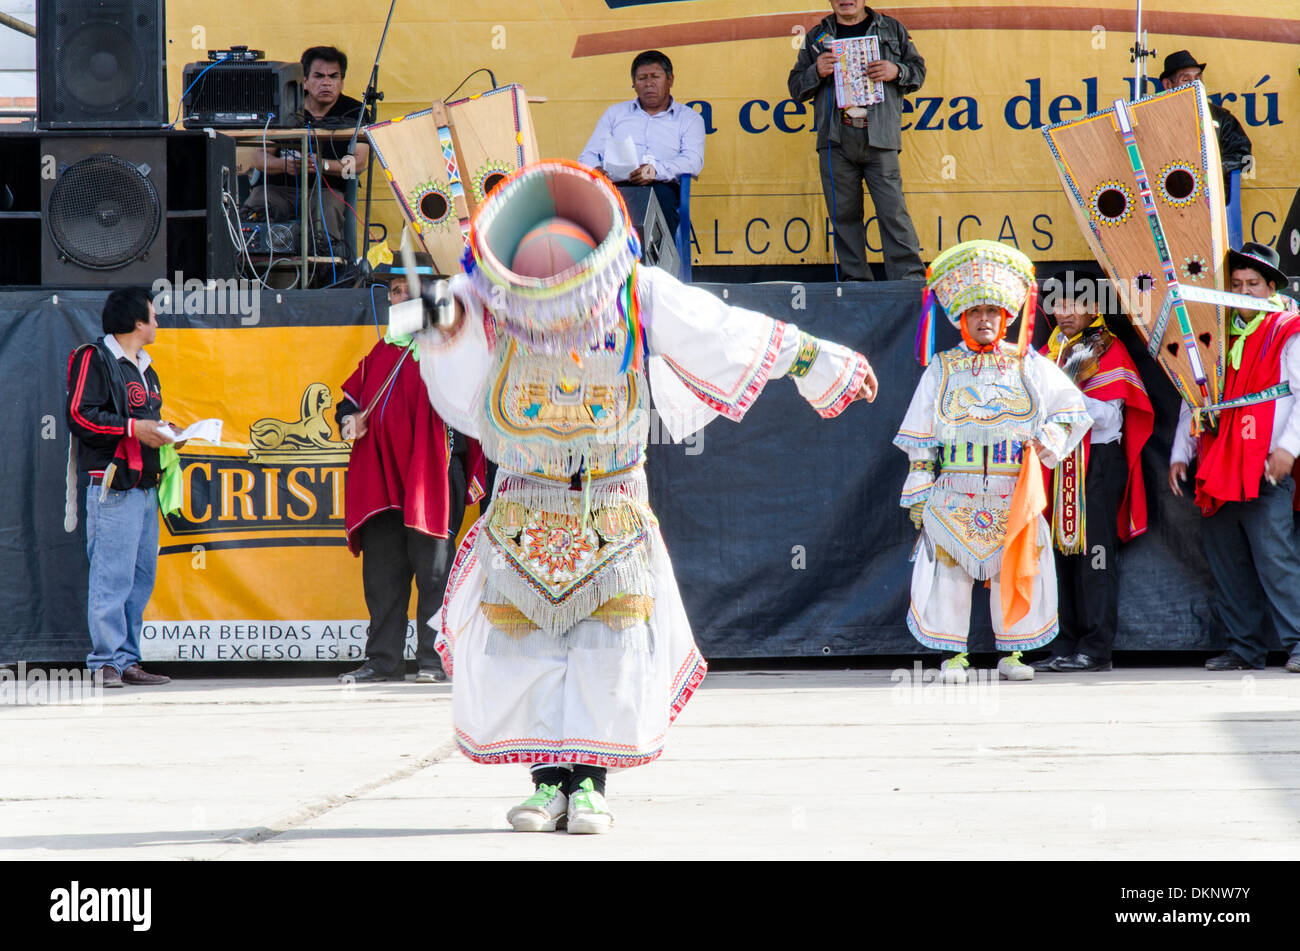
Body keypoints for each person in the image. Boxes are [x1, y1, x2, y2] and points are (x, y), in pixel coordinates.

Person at [392, 160, 877, 833]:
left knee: (609, 644)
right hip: (525, 501)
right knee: (525, 647)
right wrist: (434, 302)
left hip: (610, 503)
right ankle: (545, 783)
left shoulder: (636, 291)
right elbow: (408, 320)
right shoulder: (487, 296)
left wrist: (809, 357)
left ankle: (590, 783)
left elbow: (718, 329)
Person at [896, 241, 1092, 682]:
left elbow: (1072, 410)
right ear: (961, 319)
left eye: (992, 312)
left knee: (1016, 567)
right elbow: (921, 437)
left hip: (1012, 488)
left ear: (1005, 317)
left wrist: (1047, 441)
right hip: (955, 488)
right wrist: (919, 493)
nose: (984, 320)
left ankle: (1014, 654)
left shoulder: (1029, 364)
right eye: (975, 313)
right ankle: (952, 655)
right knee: (948, 570)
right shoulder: (942, 368)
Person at [335, 252, 486, 684]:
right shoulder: (382, 352)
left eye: (408, 290)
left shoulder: (452, 349)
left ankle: (432, 660)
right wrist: (349, 420)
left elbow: (473, 406)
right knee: (383, 573)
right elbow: (350, 402)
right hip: (382, 480)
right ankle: (381, 661)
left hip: (433, 476)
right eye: (395, 290)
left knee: (434, 571)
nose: (399, 296)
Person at [1168, 243, 1300, 673]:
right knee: (1227, 562)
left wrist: (1287, 450)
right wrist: (1179, 453)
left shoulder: (1289, 329)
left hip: (1266, 468)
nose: (1244, 291)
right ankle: (1245, 649)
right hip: (1218, 465)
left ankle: (1298, 644)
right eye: (1237, 284)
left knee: (1276, 560)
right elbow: (1196, 394)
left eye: (1253, 284)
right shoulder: (1214, 331)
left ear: (1271, 287)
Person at [1033, 273, 1153, 673]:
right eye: (1057, 304)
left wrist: (1065, 404)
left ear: (1093, 308)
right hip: (1057, 463)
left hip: (1096, 463)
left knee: (1095, 556)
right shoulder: (1046, 353)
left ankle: (1096, 648)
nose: (1063, 313)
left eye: (1073, 304)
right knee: (1058, 556)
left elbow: (1107, 419)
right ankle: (1064, 643)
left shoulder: (1107, 349)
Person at [66, 288, 178, 688]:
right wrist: (135, 428)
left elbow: (146, 423)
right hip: (112, 484)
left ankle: (127, 659)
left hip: (145, 487)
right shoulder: (93, 358)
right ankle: (104, 662)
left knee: (139, 577)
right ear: (137, 322)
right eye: (153, 315)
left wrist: (168, 433)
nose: (157, 322)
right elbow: (80, 416)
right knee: (112, 576)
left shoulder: (146, 367)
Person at [788, 1, 926, 281]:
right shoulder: (817, 35)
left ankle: (910, 282)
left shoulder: (892, 28)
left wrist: (896, 71)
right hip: (836, 140)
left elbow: (918, 71)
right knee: (844, 217)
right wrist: (816, 71)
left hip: (880, 137)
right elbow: (795, 87)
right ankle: (856, 283)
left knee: (893, 212)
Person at [242, 45, 370, 255]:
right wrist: (285, 165)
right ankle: (255, 271)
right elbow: (258, 158)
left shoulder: (355, 111)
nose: (327, 82)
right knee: (257, 203)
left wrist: (323, 166)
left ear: (342, 81)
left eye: (333, 76)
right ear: (305, 81)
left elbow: (359, 163)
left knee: (328, 209)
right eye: (319, 76)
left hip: (326, 192)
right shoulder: (284, 107)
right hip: (278, 190)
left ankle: (326, 278)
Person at [578, 50, 704, 237]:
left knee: (659, 200)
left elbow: (693, 161)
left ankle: (655, 264)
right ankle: (611, 263)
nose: (649, 84)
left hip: (661, 186)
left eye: (655, 77)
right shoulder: (615, 114)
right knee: (591, 205)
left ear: (670, 80)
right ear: (634, 85)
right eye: (642, 78)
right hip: (617, 185)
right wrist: (597, 170)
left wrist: (655, 170)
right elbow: (587, 154)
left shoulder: (688, 118)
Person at [1159, 50, 1252, 192]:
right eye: (1186, 79)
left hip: (1211, 199)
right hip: (1167, 201)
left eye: (1198, 78)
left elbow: (1247, 162)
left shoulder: (1221, 118)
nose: (1195, 84)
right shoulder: (1156, 119)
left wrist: (1209, 169)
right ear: (1167, 85)